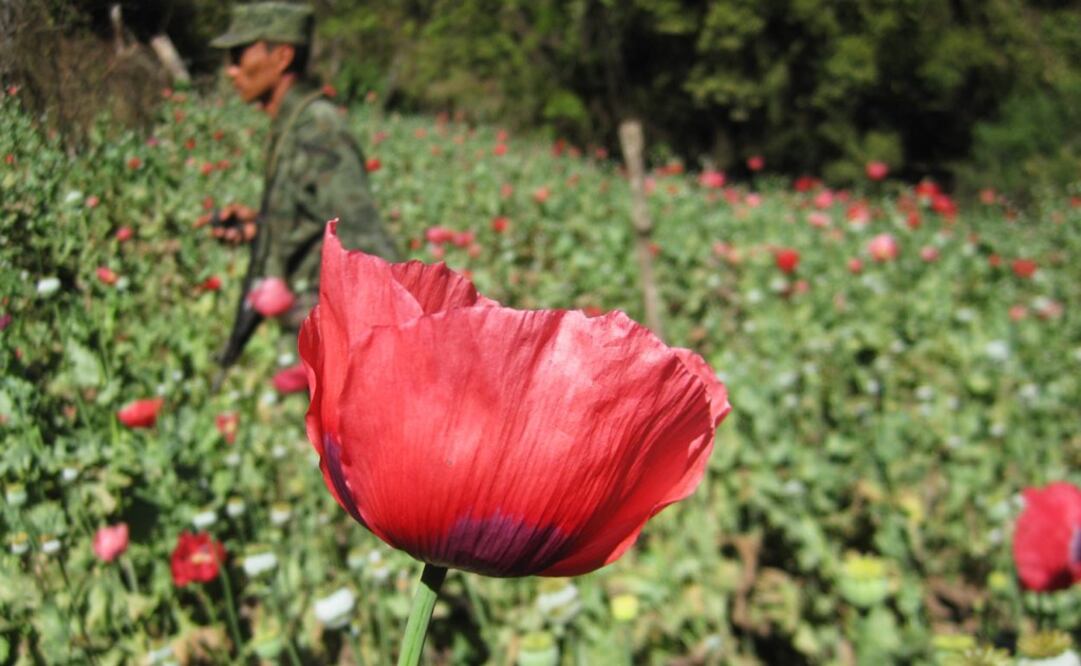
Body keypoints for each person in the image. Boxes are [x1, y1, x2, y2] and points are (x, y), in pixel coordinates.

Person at [201, 2, 398, 378]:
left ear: (282, 56)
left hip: (329, 334)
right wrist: (259, 226)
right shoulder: (291, 123)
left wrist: (393, 348)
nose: (231, 70)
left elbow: (365, 239)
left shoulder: (317, 128)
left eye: (239, 55)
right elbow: (313, 217)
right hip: (301, 326)